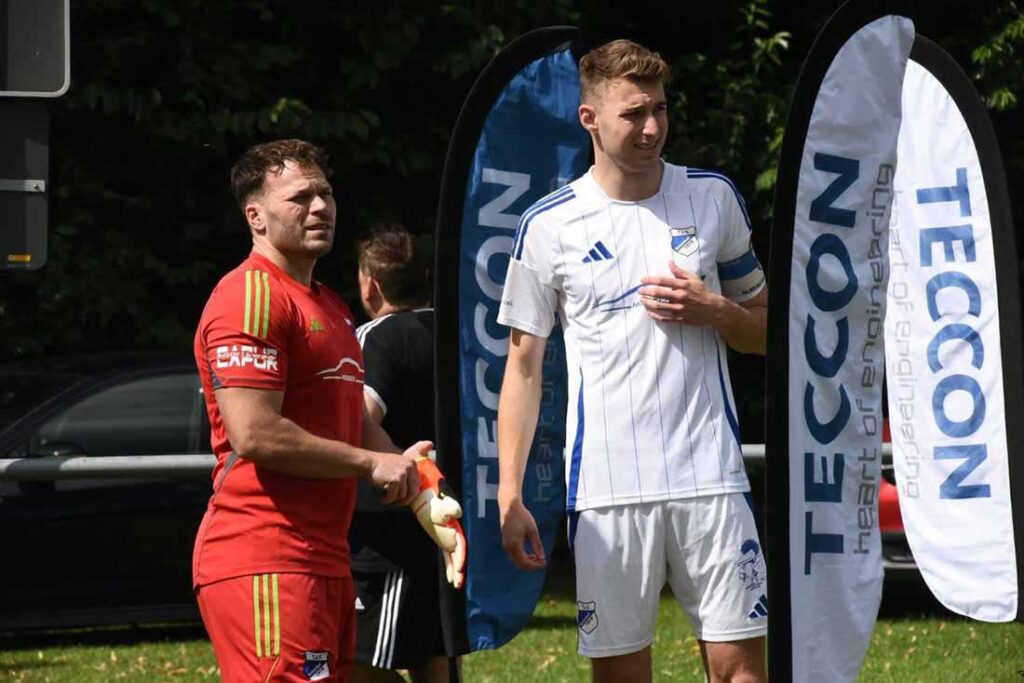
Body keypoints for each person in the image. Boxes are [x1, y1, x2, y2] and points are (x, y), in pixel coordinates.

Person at [495, 40, 769, 683]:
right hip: (607, 489)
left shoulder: (713, 198)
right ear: (589, 118)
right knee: (621, 675)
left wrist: (717, 312)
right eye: (634, 113)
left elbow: (765, 333)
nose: (652, 128)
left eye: (661, 110)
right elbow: (524, 368)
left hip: (712, 477)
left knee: (742, 673)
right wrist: (509, 493)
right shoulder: (548, 225)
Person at [193, 139, 429, 683]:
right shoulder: (249, 295)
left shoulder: (331, 303)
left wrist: (404, 465)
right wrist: (370, 465)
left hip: (323, 559)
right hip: (265, 556)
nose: (320, 207)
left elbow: (356, 416)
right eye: (300, 198)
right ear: (255, 215)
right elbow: (254, 432)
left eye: (325, 193)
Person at [348, 224, 459, 682]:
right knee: (435, 655)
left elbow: (358, 416)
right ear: (426, 274)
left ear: (369, 283)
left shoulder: (375, 337)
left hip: (390, 529)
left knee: (352, 660)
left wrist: (394, 463)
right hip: (450, 520)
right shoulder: (458, 335)